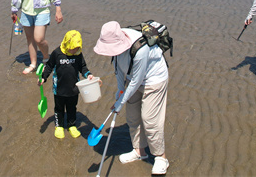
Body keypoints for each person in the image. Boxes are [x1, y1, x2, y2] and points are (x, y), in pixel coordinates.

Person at [94, 21, 170, 175]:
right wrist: (120, 91)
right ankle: (139, 151)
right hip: (133, 78)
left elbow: (136, 81)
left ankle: (161, 157)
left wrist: (120, 103)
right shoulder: (113, 39)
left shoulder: (139, 49)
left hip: (154, 79)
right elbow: (118, 69)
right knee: (133, 117)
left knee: (149, 119)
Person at [38, 30, 98, 139]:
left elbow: (83, 67)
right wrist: (43, 78)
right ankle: (59, 126)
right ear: (67, 43)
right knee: (59, 109)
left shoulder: (78, 54)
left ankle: (72, 125)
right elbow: (49, 66)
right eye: (73, 48)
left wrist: (88, 75)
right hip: (59, 89)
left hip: (73, 89)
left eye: (77, 48)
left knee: (72, 108)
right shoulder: (57, 53)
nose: (75, 50)